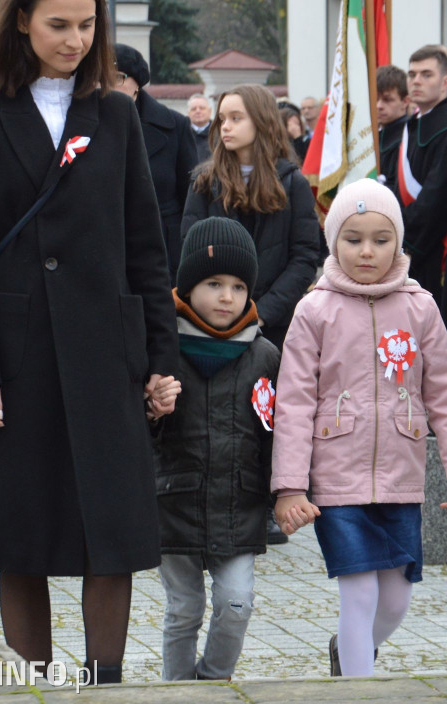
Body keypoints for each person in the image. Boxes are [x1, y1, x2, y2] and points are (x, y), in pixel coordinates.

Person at [0, 0, 179, 684]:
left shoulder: (114, 113)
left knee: (110, 530)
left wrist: (162, 360)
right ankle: (32, 684)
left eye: (86, 25)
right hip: (14, 357)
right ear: (21, 20)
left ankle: (103, 682)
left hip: (106, 353)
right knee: (23, 535)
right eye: (57, 25)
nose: (74, 39)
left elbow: (147, 246)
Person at [271, 178, 447, 677]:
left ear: (398, 243)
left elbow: (446, 393)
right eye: (353, 238)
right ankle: (359, 687)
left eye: (380, 240)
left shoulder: (420, 306)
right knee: (359, 592)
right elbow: (294, 404)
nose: (367, 251)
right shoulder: (313, 309)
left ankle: (348, 652)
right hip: (336, 482)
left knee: (395, 601)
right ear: (333, 241)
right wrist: (289, 487)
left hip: (399, 478)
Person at [150, 217, 280, 681]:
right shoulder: (162, 347)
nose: (228, 297)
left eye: (239, 285)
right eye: (213, 283)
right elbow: (139, 436)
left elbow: (275, 434)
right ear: (187, 286)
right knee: (183, 610)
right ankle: (176, 691)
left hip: (237, 505)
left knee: (237, 603)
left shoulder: (264, 355)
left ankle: (212, 680)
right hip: (174, 503)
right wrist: (152, 409)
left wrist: (283, 494)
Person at [181, 84, 320, 351]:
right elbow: (191, 247)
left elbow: (303, 258)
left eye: (236, 118)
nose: (225, 127)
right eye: (222, 119)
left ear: (262, 120)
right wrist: (218, 305)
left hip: (273, 328)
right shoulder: (204, 182)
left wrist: (262, 313)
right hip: (211, 324)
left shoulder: (293, 183)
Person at [114, 44, 198, 284]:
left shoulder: (174, 126)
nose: (106, 85)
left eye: (117, 78)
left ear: (137, 83)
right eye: (99, 77)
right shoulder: (85, 124)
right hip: (107, 248)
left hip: (162, 250)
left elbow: (190, 198)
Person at [394, 46, 447, 299]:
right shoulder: (415, 123)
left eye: (426, 75)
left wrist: (401, 244)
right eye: (412, 74)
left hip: (430, 249)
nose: (416, 81)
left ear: (445, 82)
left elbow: (436, 200)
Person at [376, 65, 410, 183]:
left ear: (405, 101)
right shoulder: (372, 137)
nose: (379, 106)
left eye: (387, 100)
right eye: (375, 99)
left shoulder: (408, 137)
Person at [187, 93, 214, 164]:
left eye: (202, 108)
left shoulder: (219, 133)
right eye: (193, 109)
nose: (198, 111)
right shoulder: (183, 134)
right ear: (188, 113)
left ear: (210, 111)